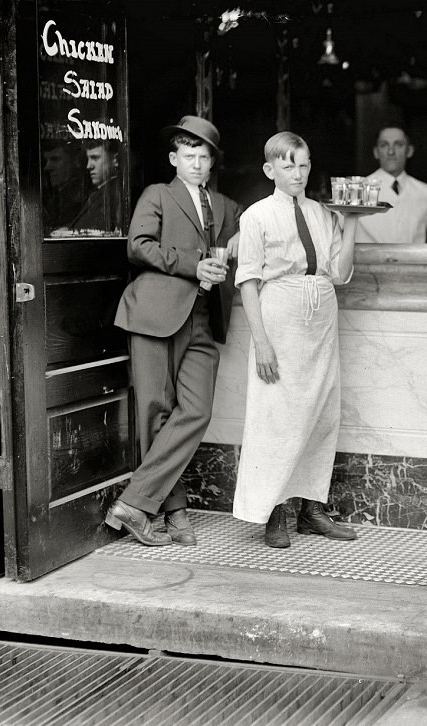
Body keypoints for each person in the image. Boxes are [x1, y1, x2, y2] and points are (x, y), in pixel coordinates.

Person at [106, 115, 242, 546]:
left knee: (196, 410)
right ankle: (173, 510)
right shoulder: (158, 195)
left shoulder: (226, 207)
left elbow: (250, 238)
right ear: (174, 158)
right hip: (154, 314)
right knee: (154, 412)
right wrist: (191, 264)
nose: (198, 164)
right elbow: (138, 246)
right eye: (189, 156)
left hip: (203, 319)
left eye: (204, 157)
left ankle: (133, 504)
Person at [233, 131, 366, 548]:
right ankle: (274, 513)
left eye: (304, 164)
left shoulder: (322, 213)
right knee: (276, 418)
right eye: (288, 165)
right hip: (280, 319)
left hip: (321, 320)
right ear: (270, 169)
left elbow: (340, 275)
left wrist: (354, 221)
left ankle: (312, 510)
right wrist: (262, 342)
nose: (298, 173)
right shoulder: (256, 215)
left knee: (321, 413)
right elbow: (248, 282)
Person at [354, 126, 427, 245]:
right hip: (367, 263)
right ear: (376, 152)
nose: (391, 152)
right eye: (384, 145)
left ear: (409, 150)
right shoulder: (356, 190)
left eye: (398, 144)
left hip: (412, 262)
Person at [67, 139, 125, 234]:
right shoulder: (103, 192)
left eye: (95, 158)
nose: (89, 166)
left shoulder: (115, 194)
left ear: (115, 160)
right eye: (88, 159)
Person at [41, 140, 86, 232]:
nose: (47, 167)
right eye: (47, 160)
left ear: (75, 161)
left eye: (55, 159)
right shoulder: (52, 195)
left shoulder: (82, 195)